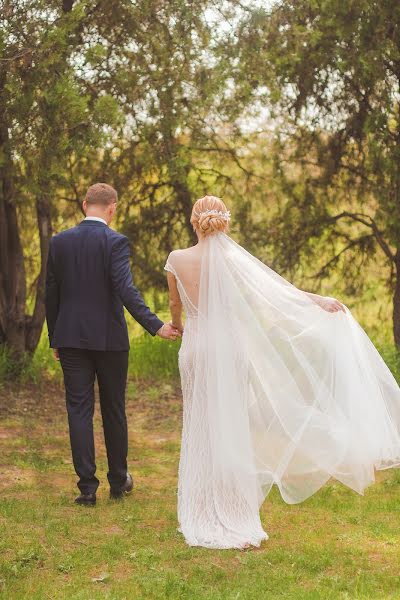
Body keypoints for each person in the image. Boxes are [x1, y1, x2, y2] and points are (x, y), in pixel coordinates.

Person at [165, 194, 400, 549]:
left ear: (193, 221)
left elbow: (174, 303)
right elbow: (273, 293)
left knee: (201, 424)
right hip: (230, 348)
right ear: (224, 221)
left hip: (197, 347)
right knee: (231, 426)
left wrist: (178, 324)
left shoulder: (176, 260)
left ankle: (201, 509)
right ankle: (234, 510)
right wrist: (318, 301)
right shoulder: (231, 260)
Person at [45, 183, 180, 506]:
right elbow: (125, 288)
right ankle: (119, 482)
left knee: (78, 410)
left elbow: (51, 292)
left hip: (71, 338)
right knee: (113, 410)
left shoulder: (59, 242)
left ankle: (87, 489)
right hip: (109, 340)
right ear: (112, 208)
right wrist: (155, 325)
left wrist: (55, 337)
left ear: (84, 205)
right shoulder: (115, 241)